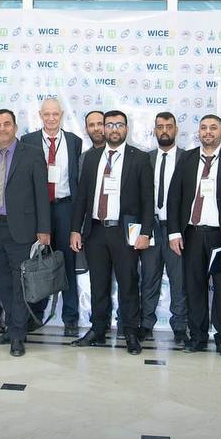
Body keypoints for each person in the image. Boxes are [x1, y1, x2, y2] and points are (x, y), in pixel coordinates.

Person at [70, 110, 153, 354]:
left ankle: (130, 332)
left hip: (126, 232)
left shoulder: (139, 158)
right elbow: (82, 197)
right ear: (104, 129)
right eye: (109, 125)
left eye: (119, 125)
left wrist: (146, 233)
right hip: (95, 230)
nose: (113, 129)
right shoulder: (92, 157)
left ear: (126, 128)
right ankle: (98, 329)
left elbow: (147, 200)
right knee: (98, 284)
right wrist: (75, 229)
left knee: (128, 284)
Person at [166, 115, 221, 355]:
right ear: (198, 132)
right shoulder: (187, 158)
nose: (208, 132)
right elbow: (174, 197)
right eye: (203, 128)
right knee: (194, 288)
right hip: (192, 234)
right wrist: (173, 233)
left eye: (213, 128)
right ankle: (197, 337)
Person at [0, 109, 50, 357]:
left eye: (6, 124)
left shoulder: (32, 154)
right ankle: (11, 329)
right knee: (3, 284)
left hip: (23, 230)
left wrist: (44, 229)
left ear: (15, 127)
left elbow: (41, 194)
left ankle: (18, 336)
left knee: (20, 286)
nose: (2, 128)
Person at [21, 98, 84, 335]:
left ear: (62, 115)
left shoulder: (74, 142)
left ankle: (70, 317)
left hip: (65, 208)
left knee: (67, 263)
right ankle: (35, 315)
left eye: (55, 114)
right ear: (40, 115)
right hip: (38, 210)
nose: (51, 118)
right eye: (46, 114)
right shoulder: (27, 141)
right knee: (38, 264)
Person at [140, 112, 187, 345]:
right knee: (149, 278)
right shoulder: (145, 159)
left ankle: (179, 326)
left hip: (176, 229)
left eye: (169, 126)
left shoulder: (187, 159)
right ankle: (145, 324)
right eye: (160, 127)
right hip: (151, 227)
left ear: (176, 129)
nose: (164, 130)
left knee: (179, 280)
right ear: (155, 130)